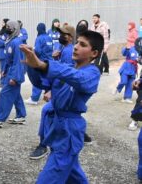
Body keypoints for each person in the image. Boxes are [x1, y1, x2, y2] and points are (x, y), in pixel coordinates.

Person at [21, 30, 104, 183]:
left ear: (94, 53)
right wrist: (33, 66)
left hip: (69, 131)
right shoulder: (68, 68)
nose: (76, 46)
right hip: (57, 126)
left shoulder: (92, 73)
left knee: (52, 175)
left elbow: (79, 79)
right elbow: (42, 83)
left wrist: (43, 65)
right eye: (77, 42)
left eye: (82, 44)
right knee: (72, 173)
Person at [29, 24, 75, 160]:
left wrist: (51, 92)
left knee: (47, 112)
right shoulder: (63, 49)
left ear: (71, 38)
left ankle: (43, 145)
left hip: (63, 93)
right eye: (60, 33)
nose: (61, 36)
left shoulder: (69, 51)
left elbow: (65, 74)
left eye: (64, 34)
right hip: (59, 90)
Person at [0, 20, 26, 128]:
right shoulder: (10, 40)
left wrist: (14, 77)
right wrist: (5, 70)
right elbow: (9, 60)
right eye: (6, 26)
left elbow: (18, 62)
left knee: (5, 94)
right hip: (10, 71)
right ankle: (21, 115)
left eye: (9, 26)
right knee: (16, 95)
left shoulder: (16, 42)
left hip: (14, 74)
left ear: (15, 28)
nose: (7, 28)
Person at [25, 23, 53, 106]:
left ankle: (34, 98)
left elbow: (37, 51)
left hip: (41, 62)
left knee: (38, 80)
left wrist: (31, 52)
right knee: (48, 80)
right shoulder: (49, 37)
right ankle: (49, 96)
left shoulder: (39, 38)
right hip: (49, 62)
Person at [0, 18, 9, 88]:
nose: (2, 23)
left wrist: (1, 42)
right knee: (2, 69)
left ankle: (3, 82)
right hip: (0, 53)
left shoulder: (7, 32)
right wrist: (0, 42)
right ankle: (2, 82)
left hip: (5, 53)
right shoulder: (1, 31)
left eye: (3, 22)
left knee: (4, 69)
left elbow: (6, 42)